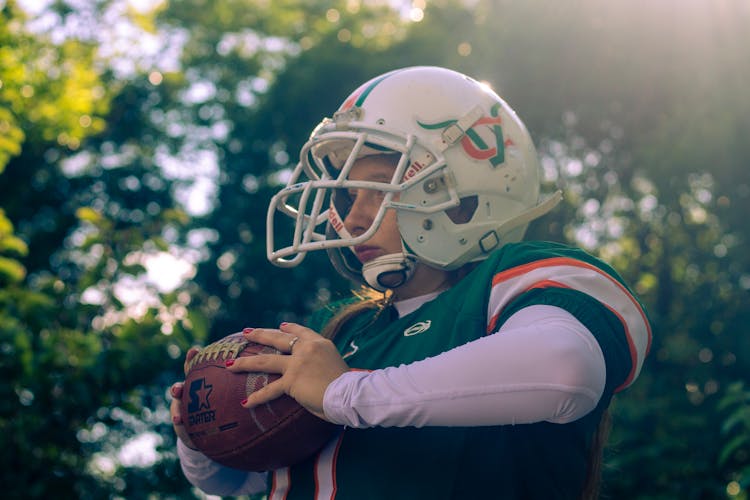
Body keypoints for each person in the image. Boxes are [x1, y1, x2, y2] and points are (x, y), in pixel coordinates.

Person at [170, 66, 651, 499]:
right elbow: (233, 479)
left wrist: (344, 393)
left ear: (459, 198)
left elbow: (565, 370)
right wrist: (201, 439)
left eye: (379, 189)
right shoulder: (338, 331)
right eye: (346, 196)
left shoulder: (508, 282)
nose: (352, 218)